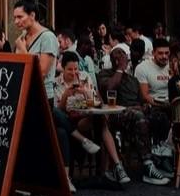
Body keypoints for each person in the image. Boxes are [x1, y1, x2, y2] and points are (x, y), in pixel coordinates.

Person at [14, 0, 67, 196]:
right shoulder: (23, 38)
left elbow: (42, 70)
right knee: (29, 150)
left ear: (32, 15)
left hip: (42, 98)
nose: (17, 22)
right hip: (26, 97)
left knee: (46, 150)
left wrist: (22, 51)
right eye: (15, 18)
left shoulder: (47, 38)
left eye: (20, 17)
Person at [96, 48, 171, 185]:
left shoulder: (132, 80)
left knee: (160, 116)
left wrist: (143, 106)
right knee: (138, 117)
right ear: (112, 60)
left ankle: (161, 159)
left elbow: (142, 101)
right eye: (117, 56)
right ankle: (148, 166)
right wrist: (119, 69)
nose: (120, 59)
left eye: (123, 56)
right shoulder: (105, 74)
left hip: (135, 112)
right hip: (115, 114)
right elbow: (109, 88)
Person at [54, 52, 129, 184]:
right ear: (63, 68)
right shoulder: (56, 84)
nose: (74, 72)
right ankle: (114, 167)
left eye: (76, 68)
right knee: (100, 122)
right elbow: (57, 111)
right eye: (70, 69)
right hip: (70, 121)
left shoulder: (84, 77)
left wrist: (87, 94)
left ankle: (117, 166)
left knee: (101, 120)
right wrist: (66, 94)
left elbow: (97, 101)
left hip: (87, 117)